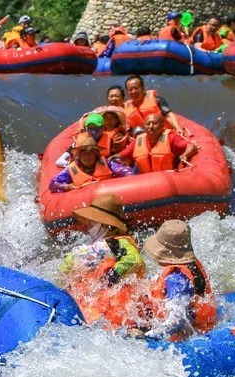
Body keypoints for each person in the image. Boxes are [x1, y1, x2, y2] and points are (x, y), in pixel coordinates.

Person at [60, 194, 146, 327]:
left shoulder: (119, 243)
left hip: (118, 301)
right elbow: (68, 266)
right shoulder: (92, 245)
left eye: (93, 222)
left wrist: (113, 274)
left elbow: (134, 260)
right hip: (95, 299)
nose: (88, 225)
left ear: (107, 225)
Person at [133, 220, 217, 341]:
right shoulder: (192, 265)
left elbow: (178, 321)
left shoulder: (175, 279)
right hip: (204, 327)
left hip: (188, 338)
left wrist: (147, 336)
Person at [112, 112, 198, 173]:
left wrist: (185, 155)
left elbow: (191, 146)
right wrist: (109, 160)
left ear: (162, 126)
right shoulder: (138, 141)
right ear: (144, 126)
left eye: (154, 123)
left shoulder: (171, 137)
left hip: (168, 179)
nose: (151, 127)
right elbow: (122, 155)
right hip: (145, 181)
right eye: (148, 123)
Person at [49, 136, 133, 192]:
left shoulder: (107, 164)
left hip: (106, 197)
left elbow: (125, 171)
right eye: (84, 153)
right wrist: (67, 187)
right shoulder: (71, 170)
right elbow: (53, 184)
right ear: (79, 154)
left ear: (96, 154)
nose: (87, 156)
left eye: (90, 153)